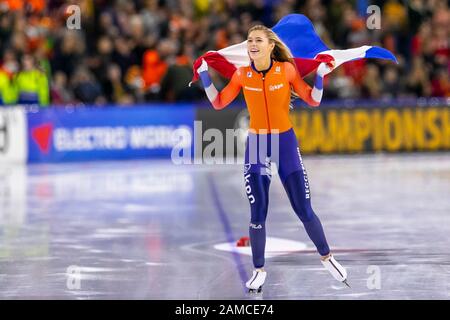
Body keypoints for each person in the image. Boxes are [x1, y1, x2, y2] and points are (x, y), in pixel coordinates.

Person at [196, 25, 348, 292]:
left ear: (269, 46)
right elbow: (219, 103)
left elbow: (313, 100)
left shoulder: (286, 70)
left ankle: (327, 257)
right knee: (258, 213)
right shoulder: (243, 75)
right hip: (257, 145)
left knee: (303, 209)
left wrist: (321, 76)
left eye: (258, 40)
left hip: (285, 143)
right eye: (249, 41)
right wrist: (205, 76)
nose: (252, 44)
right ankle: (258, 270)